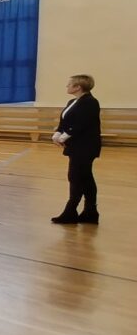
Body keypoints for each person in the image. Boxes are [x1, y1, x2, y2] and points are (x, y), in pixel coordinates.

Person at [51, 74, 102, 224]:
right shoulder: (72, 102)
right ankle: (90, 212)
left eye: (70, 84)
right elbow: (65, 121)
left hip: (86, 146)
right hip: (75, 145)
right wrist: (57, 133)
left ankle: (71, 210)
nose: (67, 86)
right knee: (84, 177)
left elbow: (81, 124)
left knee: (76, 176)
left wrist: (63, 137)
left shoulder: (90, 102)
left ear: (78, 87)